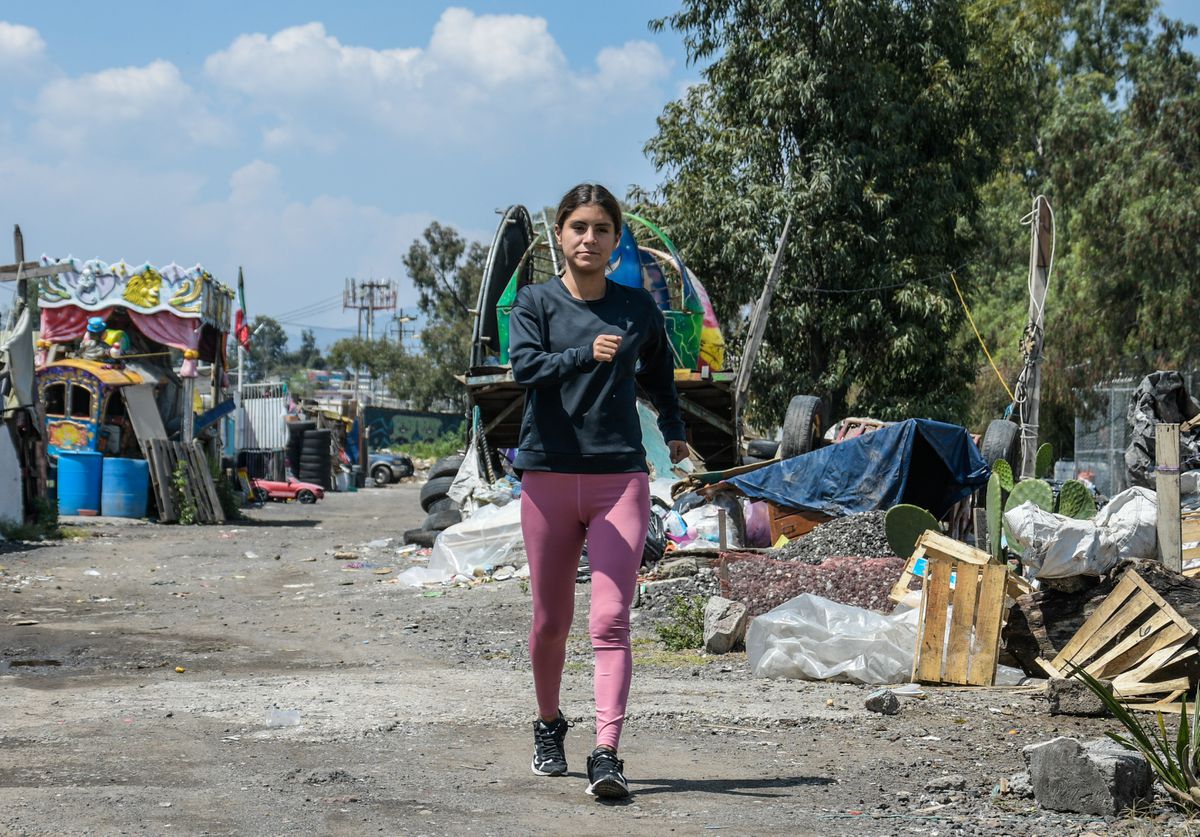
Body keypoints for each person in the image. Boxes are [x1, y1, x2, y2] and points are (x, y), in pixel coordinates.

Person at [508, 183, 688, 799]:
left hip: (620, 479)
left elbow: (661, 377)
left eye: (602, 229)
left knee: (610, 619)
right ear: (560, 234)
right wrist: (584, 354)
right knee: (550, 621)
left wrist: (675, 431)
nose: (589, 238)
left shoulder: (637, 309)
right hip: (548, 478)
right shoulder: (534, 302)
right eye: (579, 227)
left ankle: (607, 753)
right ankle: (549, 724)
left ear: (616, 240)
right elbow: (525, 368)